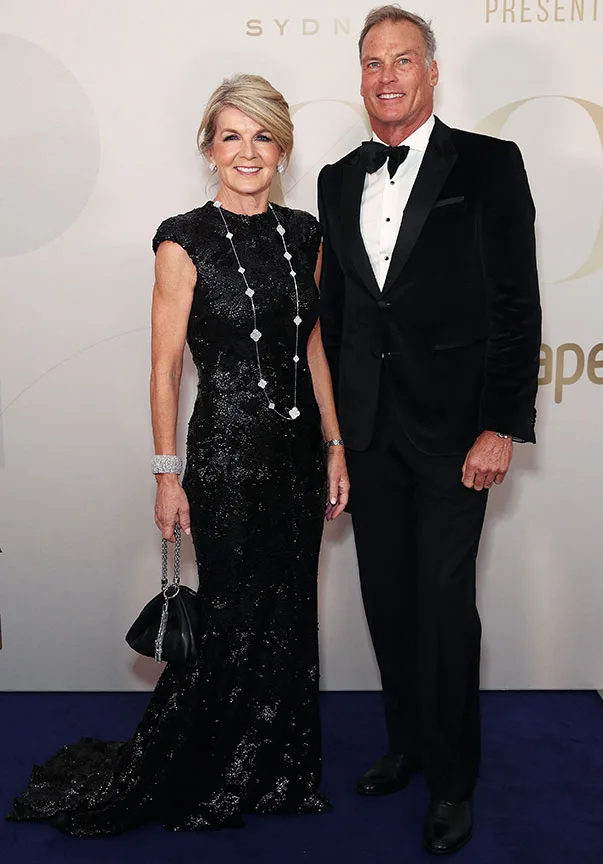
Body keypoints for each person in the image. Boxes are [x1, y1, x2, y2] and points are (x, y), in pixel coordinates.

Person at [7, 73, 349, 835]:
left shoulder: (305, 235)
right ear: (208, 147)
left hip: (296, 453)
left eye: (262, 135)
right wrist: (167, 476)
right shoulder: (182, 236)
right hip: (225, 454)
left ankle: (275, 770)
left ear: (283, 147)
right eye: (231, 135)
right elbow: (164, 368)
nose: (248, 150)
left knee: (289, 611)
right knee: (229, 615)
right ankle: (205, 767)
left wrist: (334, 443)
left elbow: (313, 347)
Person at [318, 6, 541, 855]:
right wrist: (333, 438)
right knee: (388, 600)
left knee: (445, 607)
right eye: (372, 62)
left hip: (455, 434)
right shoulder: (337, 178)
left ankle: (453, 784)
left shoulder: (488, 164)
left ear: (431, 71)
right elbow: (338, 319)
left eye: (401, 60)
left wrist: (501, 426)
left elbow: (516, 306)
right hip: (368, 430)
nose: (385, 76)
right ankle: (405, 745)